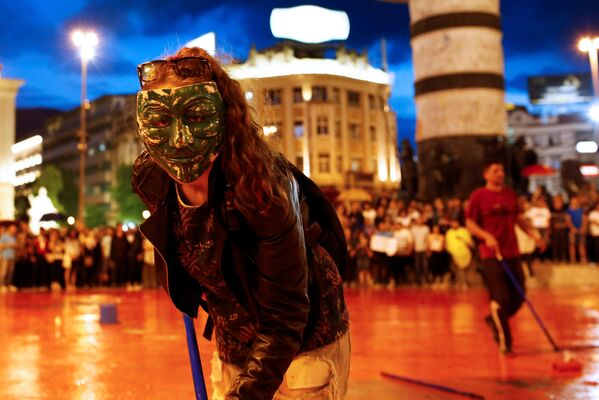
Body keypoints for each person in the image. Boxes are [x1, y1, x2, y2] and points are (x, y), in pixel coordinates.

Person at [131, 46, 350, 400]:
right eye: (159, 121)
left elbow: (285, 316)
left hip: (305, 338)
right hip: (234, 338)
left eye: (197, 117)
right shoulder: (151, 179)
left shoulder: (263, 190)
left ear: (224, 119)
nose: (180, 139)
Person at [466, 161, 543, 354]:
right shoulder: (478, 196)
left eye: (501, 170)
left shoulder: (510, 195)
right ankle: (505, 342)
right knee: (500, 298)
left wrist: (533, 235)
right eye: (495, 171)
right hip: (491, 254)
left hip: (512, 252)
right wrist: (486, 237)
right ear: (486, 175)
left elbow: (517, 218)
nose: (500, 174)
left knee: (519, 296)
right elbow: (470, 224)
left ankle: (494, 320)